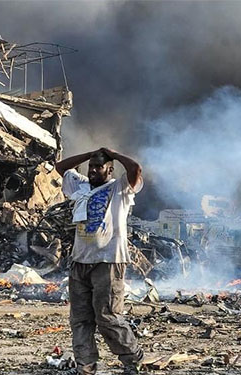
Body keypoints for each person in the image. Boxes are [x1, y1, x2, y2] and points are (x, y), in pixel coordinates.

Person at [55, 147, 144, 375]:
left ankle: (132, 361)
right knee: (81, 318)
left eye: (99, 166)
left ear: (110, 169)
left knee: (107, 316)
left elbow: (135, 168)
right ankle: (85, 364)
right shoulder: (81, 185)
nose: (93, 170)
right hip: (80, 260)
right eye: (91, 166)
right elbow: (61, 167)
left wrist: (113, 152)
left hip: (109, 260)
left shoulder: (119, 188)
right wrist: (89, 154)